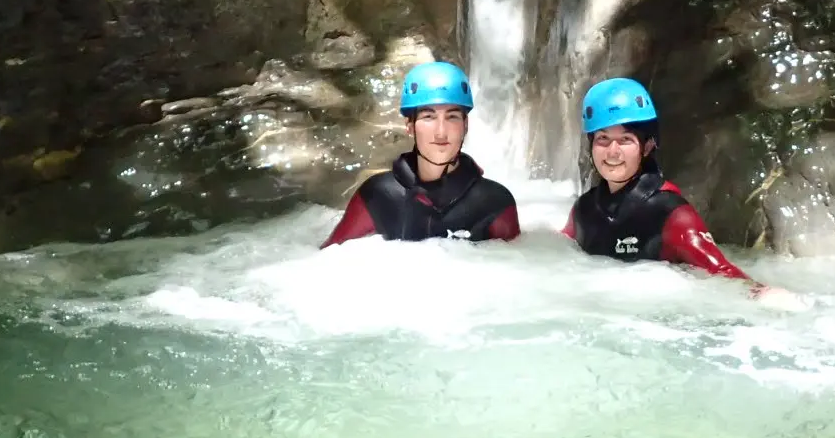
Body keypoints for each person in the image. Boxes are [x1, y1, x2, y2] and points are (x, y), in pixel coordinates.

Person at [563, 78, 798, 306]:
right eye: (603, 139)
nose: (612, 151)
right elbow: (555, 256)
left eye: (625, 139)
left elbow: (720, 271)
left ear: (647, 146)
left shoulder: (670, 214)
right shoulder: (585, 209)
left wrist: (760, 292)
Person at [322, 60, 520, 246]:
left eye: (452, 117)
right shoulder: (378, 195)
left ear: (465, 125)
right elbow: (327, 260)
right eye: (428, 117)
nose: (441, 132)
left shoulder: (494, 203)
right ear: (409, 125)